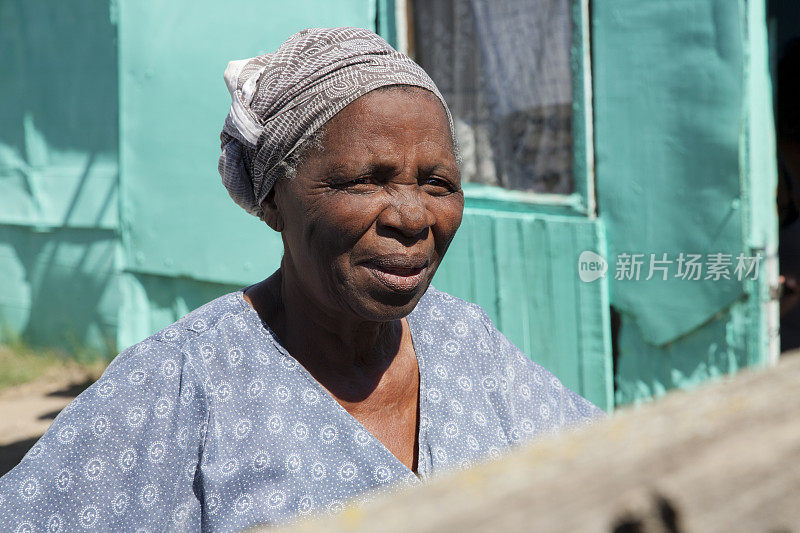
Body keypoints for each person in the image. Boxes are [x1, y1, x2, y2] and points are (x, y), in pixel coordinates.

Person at [0, 27, 602, 531]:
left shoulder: (466, 344)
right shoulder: (180, 385)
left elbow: (605, 464)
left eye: (437, 182)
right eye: (364, 181)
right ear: (273, 201)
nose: (413, 216)